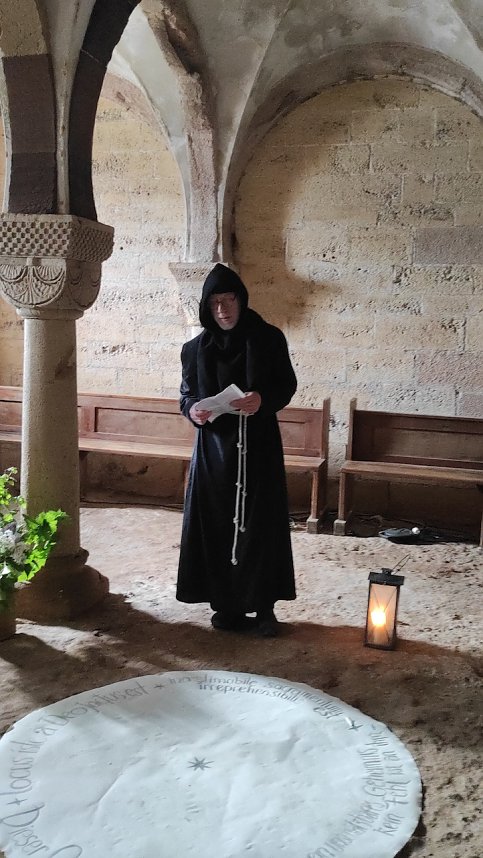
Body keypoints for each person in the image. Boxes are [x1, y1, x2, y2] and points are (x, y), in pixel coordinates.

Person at [176, 263, 297, 636]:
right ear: (206, 307)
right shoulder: (194, 348)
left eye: (229, 300)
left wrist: (262, 398)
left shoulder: (269, 338)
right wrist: (193, 410)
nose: (223, 309)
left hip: (257, 449)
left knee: (259, 525)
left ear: (241, 301)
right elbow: (186, 394)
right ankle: (225, 605)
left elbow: (286, 385)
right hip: (214, 453)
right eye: (215, 303)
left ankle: (263, 608)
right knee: (215, 524)